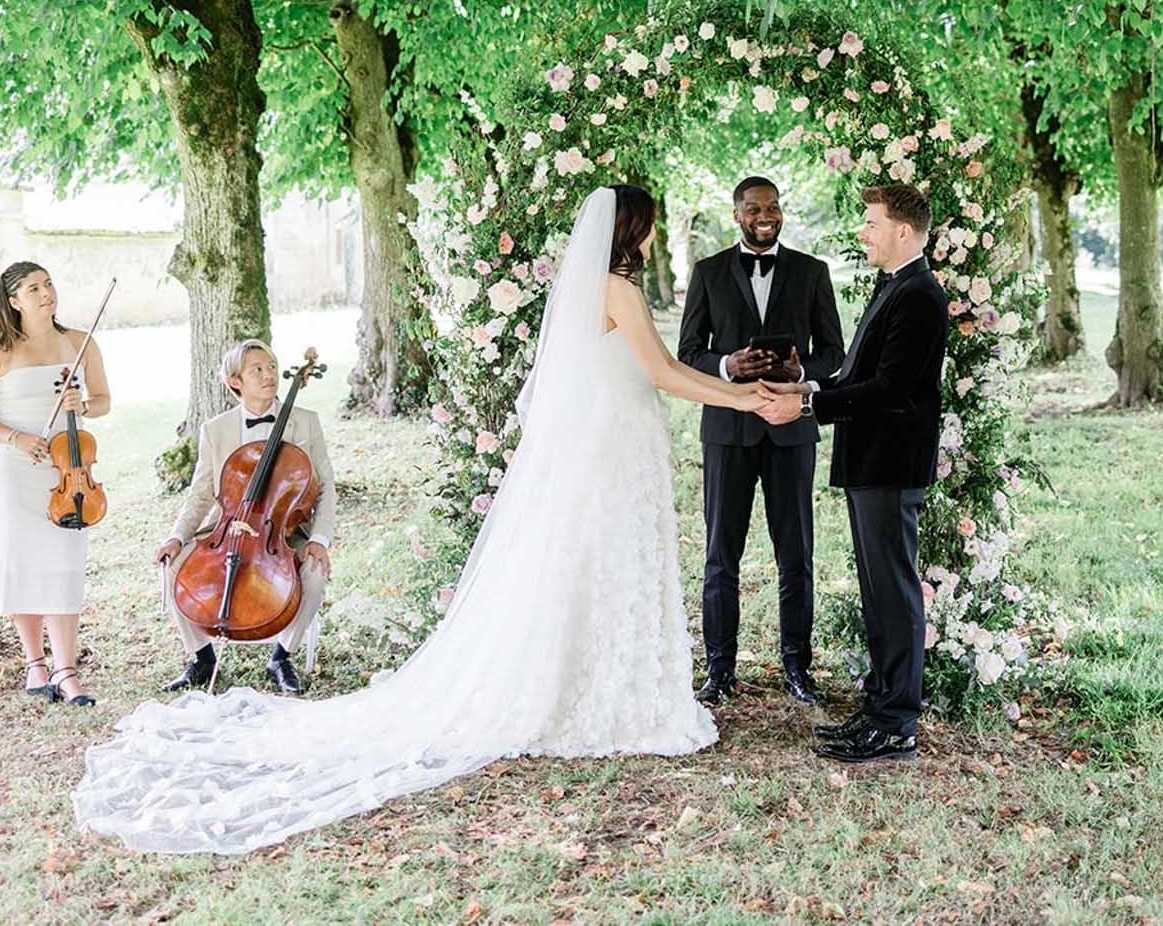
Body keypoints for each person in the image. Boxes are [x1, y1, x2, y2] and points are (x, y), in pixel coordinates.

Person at [74, 185, 768, 854]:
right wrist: (748, 398)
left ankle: (593, 684)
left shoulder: (595, 290)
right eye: (649, 222)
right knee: (607, 564)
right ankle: (605, 694)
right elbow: (664, 372)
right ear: (632, 230)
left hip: (610, 446)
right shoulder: (618, 288)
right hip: (615, 449)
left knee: (591, 567)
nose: (653, 232)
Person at [758, 183, 950, 763]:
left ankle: (897, 726)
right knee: (877, 592)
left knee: (893, 593)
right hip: (871, 463)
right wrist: (805, 385)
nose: (862, 233)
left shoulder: (919, 294)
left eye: (871, 223)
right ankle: (879, 708)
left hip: (891, 464)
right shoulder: (892, 285)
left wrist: (806, 408)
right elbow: (857, 373)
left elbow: (890, 390)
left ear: (903, 231)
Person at [677, 175, 844, 704]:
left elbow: (834, 354)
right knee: (720, 555)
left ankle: (797, 668)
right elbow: (688, 353)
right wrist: (728, 364)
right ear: (737, 215)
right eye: (754, 209)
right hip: (727, 429)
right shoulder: (707, 272)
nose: (765, 216)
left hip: (792, 431)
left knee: (796, 556)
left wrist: (801, 371)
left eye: (772, 207)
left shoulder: (812, 272)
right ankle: (720, 671)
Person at [155, 340, 338, 696]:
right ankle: (202, 658)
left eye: (271, 367)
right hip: (229, 528)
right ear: (234, 381)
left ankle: (282, 656)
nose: (269, 375)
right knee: (174, 564)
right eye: (257, 370)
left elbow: (326, 485)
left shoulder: (305, 422)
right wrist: (176, 536)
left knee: (315, 573)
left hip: (283, 532)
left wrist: (319, 538)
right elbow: (201, 493)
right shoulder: (215, 430)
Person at [0, 261, 111, 707]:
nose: (46, 293)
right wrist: (16, 438)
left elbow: (103, 401)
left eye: (48, 284)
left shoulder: (80, 342)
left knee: (64, 562)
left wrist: (82, 404)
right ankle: (35, 663)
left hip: (69, 467)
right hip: (15, 468)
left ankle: (67, 670)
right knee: (22, 562)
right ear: (14, 301)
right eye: (33, 288)